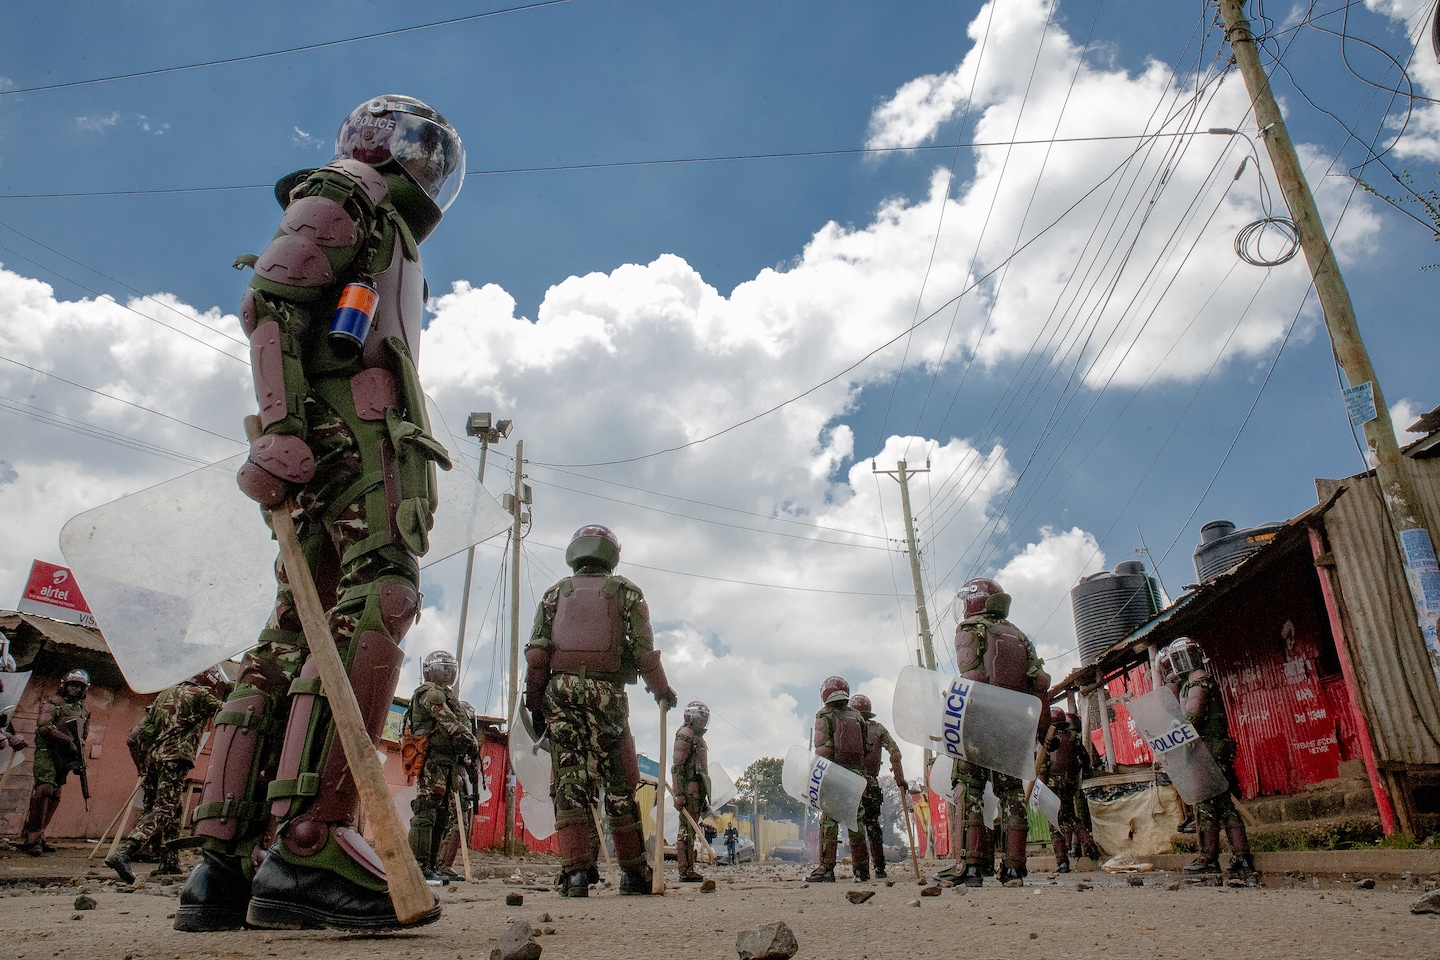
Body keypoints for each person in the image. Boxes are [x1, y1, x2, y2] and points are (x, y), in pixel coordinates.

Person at [176, 95, 465, 933]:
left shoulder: (378, 227)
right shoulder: (349, 192)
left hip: (343, 452)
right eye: (426, 149)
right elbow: (272, 303)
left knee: (293, 637)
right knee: (375, 607)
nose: (433, 167)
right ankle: (309, 840)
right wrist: (283, 426)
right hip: (351, 453)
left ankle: (225, 863)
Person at [523, 524, 677, 898]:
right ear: (612, 554)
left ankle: (576, 874)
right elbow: (643, 651)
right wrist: (661, 689)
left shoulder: (554, 594)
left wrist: (535, 703)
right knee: (621, 782)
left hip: (559, 692)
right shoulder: (626, 592)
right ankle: (633, 873)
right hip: (605, 694)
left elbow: (538, 653)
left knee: (570, 783)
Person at [951, 578, 1050, 887]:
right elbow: (1040, 684)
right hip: (1014, 726)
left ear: (972, 601)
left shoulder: (969, 630)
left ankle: (973, 867)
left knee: (971, 790)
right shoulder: (1019, 636)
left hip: (980, 722)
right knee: (1010, 794)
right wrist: (1043, 728)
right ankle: (1014, 868)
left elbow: (973, 679)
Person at [107, 668, 230, 883]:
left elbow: (136, 735)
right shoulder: (200, 694)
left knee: (173, 809)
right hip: (175, 758)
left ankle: (169, 862)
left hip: (152, 758)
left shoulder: (163, 694)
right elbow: (230, 712)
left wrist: (142, 766)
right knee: (164, 809)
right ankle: (125, 852)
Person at [1173, 636, 1254, 876]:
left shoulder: (1198, 680)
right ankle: (1242, 856)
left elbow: (1193, 715)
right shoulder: (1193, 681)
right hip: (1214, 750)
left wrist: (1174, 733)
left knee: (1205, 805)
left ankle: (1208, 857)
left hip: (1207, 751)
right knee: (1225, 806)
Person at [405, 650, 479, 883]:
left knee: (442, 813)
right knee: (426, 810)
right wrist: (470, 740)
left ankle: (431, 866)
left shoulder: (446, 695)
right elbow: (449, 722)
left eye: (449, 669)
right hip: (433, 760)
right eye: (441, 669)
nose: (446, 674)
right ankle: (417, 865)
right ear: (429, 671)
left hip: (446, 761)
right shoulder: (429, 693)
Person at [805, 675, 869, 883]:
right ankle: (861, 870)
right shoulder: (857, 716)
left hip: (833, 773)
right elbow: (865, 747)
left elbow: (822, 749)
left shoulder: (824, 714)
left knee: (829, 820)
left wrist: (817, 777)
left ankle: (826, 868)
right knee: (856, 821)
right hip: (856, 775)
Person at [21, 669, 91, 856]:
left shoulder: (83, 711)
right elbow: (44, 727)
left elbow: (82, 737)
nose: (74, 689)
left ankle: (40, 836)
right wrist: (66, 741)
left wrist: (79, 759)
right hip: (48, 752)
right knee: (44, 789)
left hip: (66, 756)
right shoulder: (53, 703)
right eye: (72, 685)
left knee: (56, 793)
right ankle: (32, 837)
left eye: (79, 686)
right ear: (64, 685)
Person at [849, 693, 906, 880]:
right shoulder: (878, 729)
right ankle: (880, 868)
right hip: (871, 784)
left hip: (852, 783)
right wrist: (899, 778)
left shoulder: (847, 728)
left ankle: (860, 870)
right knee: (873, 826)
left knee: (855, 825)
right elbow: (895, 752)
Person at [1038, 708, 1099, 873]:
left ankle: (1063, 862)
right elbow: (1085, 760)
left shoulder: (1048, 739)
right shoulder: (1075, 738)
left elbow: (1042, 765)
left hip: (1053, 785)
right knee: (1069, 815)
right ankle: (1089, 844)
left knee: (1055, 822)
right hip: (1070, 784)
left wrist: (1040, 789)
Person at [672, 699, 711, 883]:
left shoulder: (697, 737)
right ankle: (684, 869)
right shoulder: (685, 735)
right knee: (686, 830)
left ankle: (689, 868)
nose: (703, 720)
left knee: (692, 830)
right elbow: (678, 767)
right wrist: (678, 793)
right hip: (688, 790)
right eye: (700, 716)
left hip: (697, 790)